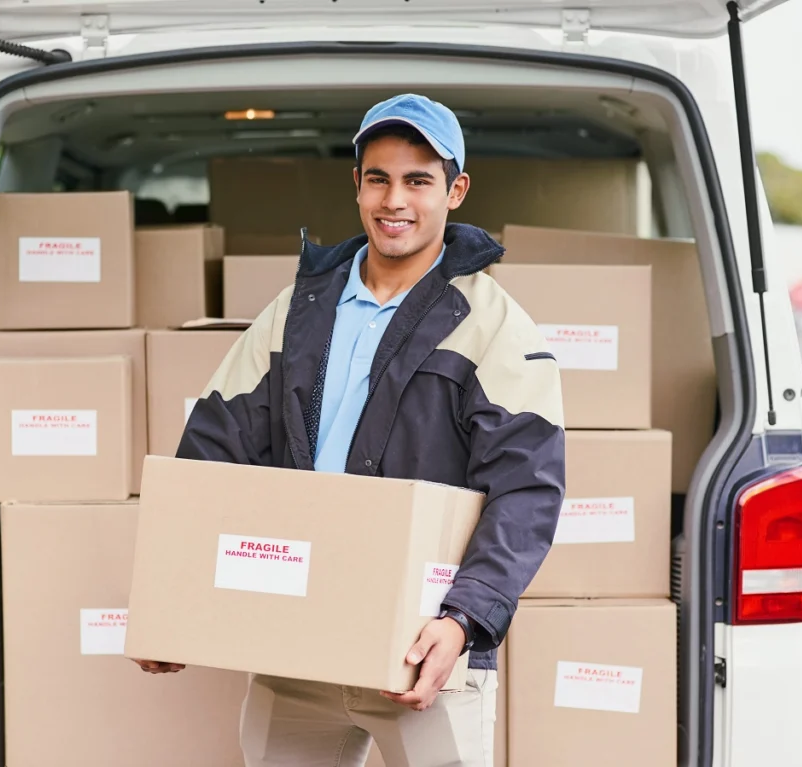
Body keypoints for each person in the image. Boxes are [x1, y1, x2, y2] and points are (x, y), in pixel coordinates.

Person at [135, 93, 566, 766]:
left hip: (422, 648)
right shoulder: (298, 309)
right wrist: (172, 599)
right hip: (297, 643)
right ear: (358, 186)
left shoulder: (494, 325)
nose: (396, 199)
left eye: (419, 180)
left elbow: (527, 488)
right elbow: (213, 449)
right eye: (379, 178)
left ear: (455, 191)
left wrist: (463, 619)